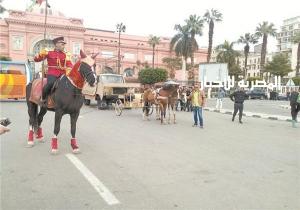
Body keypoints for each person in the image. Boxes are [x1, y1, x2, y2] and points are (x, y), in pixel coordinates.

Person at [34, 36, 73, 106]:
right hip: (52, 73)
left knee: (70, 85)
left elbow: (69, 64)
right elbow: (36, 59)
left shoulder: (66, 54)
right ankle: (43, 98)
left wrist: (70, 69)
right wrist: (41, 54)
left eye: (64, 44)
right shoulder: (49, 52)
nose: (64, 46)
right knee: (50, 84)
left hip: (63, 74)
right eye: (62, 44)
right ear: (56, 44)